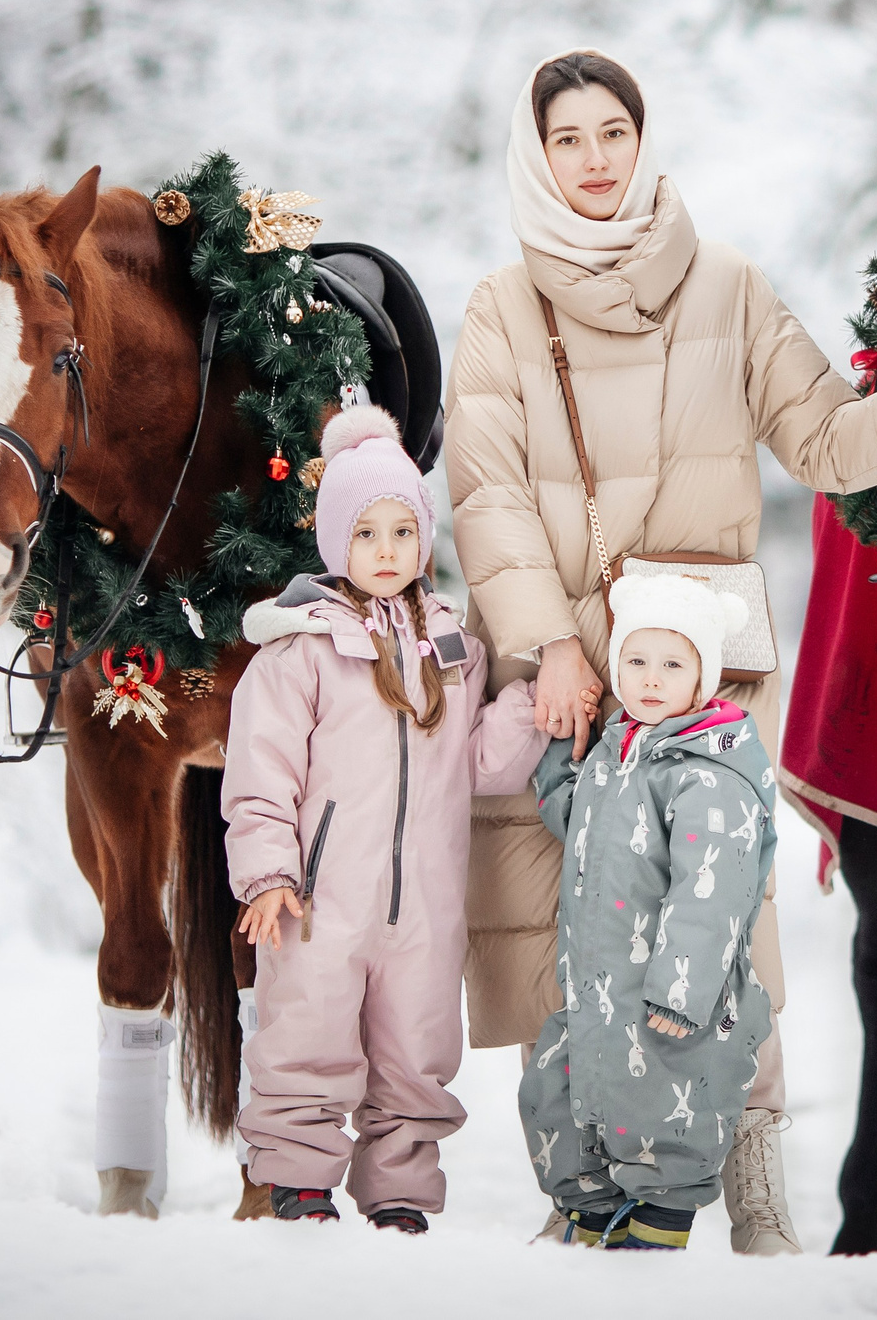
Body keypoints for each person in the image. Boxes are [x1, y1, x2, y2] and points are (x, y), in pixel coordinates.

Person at [446, 48, 877, 1252]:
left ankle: (754, 1184)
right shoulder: (500, 307)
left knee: (720, 917)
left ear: (644, 140)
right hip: (567, 675)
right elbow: (485, 493)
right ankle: (582, 1188)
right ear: (538, 157)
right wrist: (547, 645)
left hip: (695, 672)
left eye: (612, 133)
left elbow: (824, 438)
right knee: (567, 927)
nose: (594, 159)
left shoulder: (728, 286)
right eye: (568, 139)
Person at [223, 405, 550, 1231]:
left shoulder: (451, 648)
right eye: (366, 533)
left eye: (404, 532)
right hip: (320, 900)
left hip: (425, 907)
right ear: (337, 540)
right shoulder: (301, 649)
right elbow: (260, 775)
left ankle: (400, 1189)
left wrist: (523, 705)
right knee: (306, 1031)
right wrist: (268, 875)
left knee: (417, 1046)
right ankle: (298, 1178)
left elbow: (478, 767)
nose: (386, 551)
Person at [520, 574, 776, 1250]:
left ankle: (657, 1233)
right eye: (636, 660)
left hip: (669, 999)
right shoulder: (617, 751)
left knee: (667, 1110)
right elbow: (576, 819)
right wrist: (562, 744)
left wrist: (683, 990)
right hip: (599, 992)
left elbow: (711, 891)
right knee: (563, 1095)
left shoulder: (708, 774)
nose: (652, 679)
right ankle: (592, 1216)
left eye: (672, 664)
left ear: (703, 678)